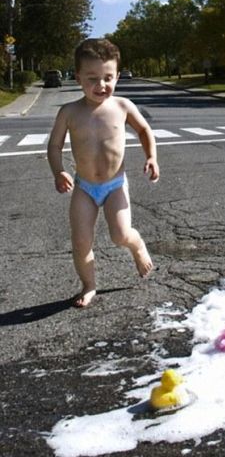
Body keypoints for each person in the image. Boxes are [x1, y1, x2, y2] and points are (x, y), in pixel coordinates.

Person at [47, 38, 160, 308]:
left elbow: (144, 130)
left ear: (117, 76)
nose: (101, 86)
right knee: (81, 240)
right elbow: (54, 145)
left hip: (115, 185)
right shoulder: (69, 112)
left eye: (108, 78)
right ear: (78, 78)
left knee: (120, 234)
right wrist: (58, 171)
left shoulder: (122, 106)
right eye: (93, 79)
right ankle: (89, 285)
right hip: (84, 187)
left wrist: (152, 157)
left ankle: (136, 245)